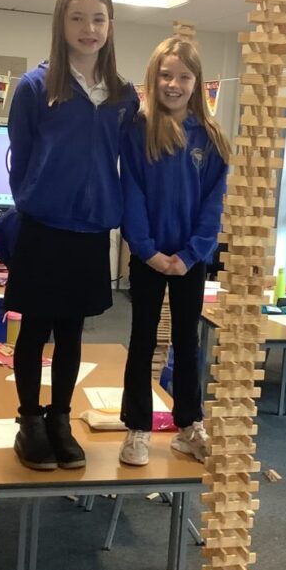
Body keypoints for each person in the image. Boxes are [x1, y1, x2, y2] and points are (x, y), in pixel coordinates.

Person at [5, 0, 139, 470]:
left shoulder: (123, 96)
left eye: (98, 19)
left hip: (91, 232)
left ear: (110, 26)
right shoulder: (35, 87)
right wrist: (36, 200)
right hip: (44, 228)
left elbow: (128, 161)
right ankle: (30, 421)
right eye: (78, 18)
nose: (89, 28)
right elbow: (20, 159)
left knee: (72, 332)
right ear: (61, 24)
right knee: (34, 329)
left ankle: (60, 419)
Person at [118, 37, 229, 467]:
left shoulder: (211, 137)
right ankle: (137, 428)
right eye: (165, 75)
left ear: (197, 82)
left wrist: (191, 253)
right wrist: (146, 250)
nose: (173, 84)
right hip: (148, 256)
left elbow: (212, 203)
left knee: (187, 340)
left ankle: (189, 425)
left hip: (190, 259)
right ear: (154, 77)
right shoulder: (138, 130)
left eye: (184, 76)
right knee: (142, 339)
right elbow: (132, 193)